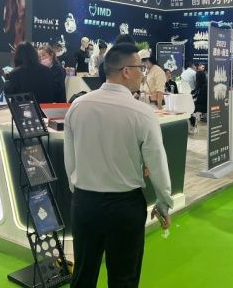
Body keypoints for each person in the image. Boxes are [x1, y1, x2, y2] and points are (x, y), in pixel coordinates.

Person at [64, 43, 173, 288]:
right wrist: (164, 202)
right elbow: (157, 163)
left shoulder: (78, 106)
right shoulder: (142, 113)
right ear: (126, 71)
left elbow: (70, 161)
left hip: (85, 203)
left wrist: (79, 192)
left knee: (83, 275)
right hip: (125, 206)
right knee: (124, 278)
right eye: (140, 68)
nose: (142, 74)